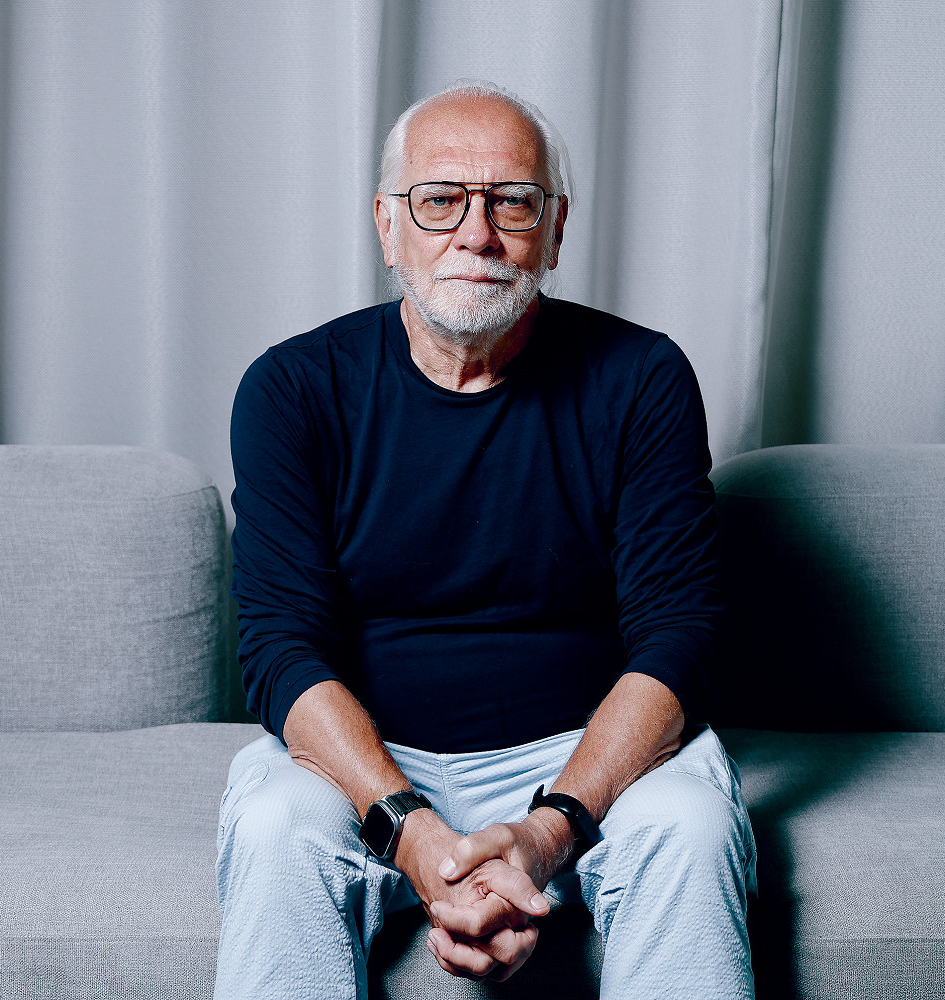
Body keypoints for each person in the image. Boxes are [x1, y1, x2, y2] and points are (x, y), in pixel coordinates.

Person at [215, 80, 756, 999]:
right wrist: (411, 832)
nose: (477, 234)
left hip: (589, 758)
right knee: (275, 825)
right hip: (368, 763)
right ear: (388, 225)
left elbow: (680, 638)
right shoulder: (292, 389)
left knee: (690, 826)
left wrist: (547, 832)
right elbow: (279, 647)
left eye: (512, 201)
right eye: (440, 200)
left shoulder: (642, 377)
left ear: (555, 229)